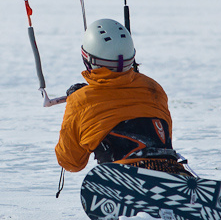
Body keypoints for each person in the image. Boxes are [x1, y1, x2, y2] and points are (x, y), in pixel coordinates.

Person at [55, 19, 194, 177]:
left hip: (123, 179)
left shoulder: (81, 100)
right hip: (169, 170)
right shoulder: (153, 87)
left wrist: (75, 103)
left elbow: (71, 162)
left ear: (87, 59)